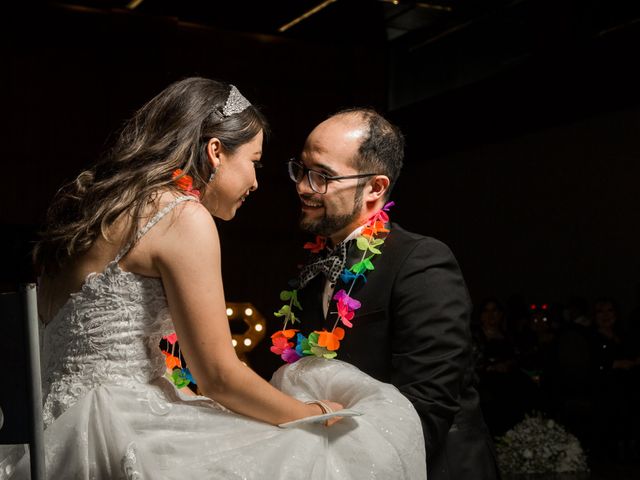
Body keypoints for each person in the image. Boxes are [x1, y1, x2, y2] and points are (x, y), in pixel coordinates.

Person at [0, 79, 425, 479]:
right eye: (254, 162)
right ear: (216, 151)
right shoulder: (181, 214)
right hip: (115, 431)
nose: (257, 182)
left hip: (45, 437)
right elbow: (217, 376)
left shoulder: (88, 216)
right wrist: (311, 412)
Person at [275, 108, 498, 479]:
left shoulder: (421, 262)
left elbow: (427, 406)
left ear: (375, 188)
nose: (302, 186)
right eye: (301, 170)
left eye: (322, 176)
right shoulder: (310, 271)